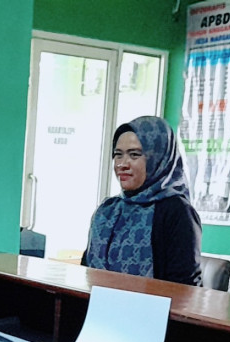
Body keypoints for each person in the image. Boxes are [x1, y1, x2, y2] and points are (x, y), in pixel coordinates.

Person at [83, 116, 202, 286]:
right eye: (118, 155)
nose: (122, 164)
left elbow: (184, 287)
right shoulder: (107, 211)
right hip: (96, 301)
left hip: (157, 303)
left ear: (158, 158)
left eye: (134, 155)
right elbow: (86, 272)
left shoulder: (176, 211)